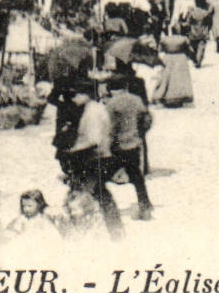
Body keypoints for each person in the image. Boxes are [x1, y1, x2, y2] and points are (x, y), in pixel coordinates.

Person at [66, 82, 124, 239]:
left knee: (89, 193)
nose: (73, 98)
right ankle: (115, 228)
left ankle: (94, 229)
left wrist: (73, 150)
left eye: (76, 94)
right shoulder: (96, 109)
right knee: (101, 193)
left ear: (86, 94)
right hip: (102, 155)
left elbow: (93, 139)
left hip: (95, 158)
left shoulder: (92, 112)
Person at [105, 76, 154, 221]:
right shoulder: (136, 99)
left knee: (103, 175)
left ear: (111, 89)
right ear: (125, 86)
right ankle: (145, 204)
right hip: (133, 143)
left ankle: (105, 207)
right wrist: (141, 133)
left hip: (117, 146)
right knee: (136, 176)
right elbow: (146, 118)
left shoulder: (111, 104)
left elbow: (110, 127)